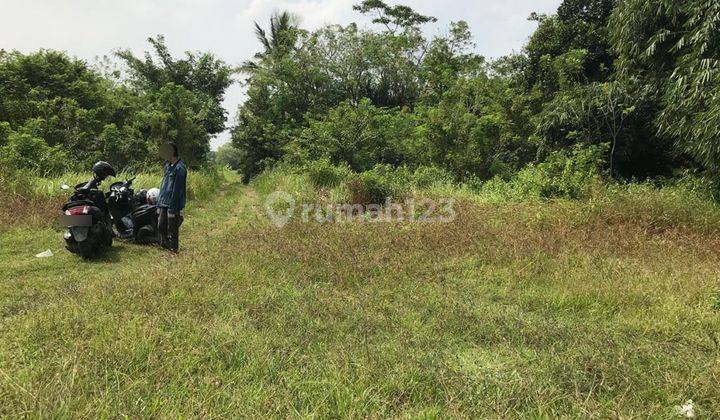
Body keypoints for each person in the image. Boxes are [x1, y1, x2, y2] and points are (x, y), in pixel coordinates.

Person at [157, 141, 187, 252]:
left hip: (173, 203)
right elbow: (164, 185)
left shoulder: (180, 168)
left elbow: (177, 190)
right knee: (161, 225)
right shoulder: (167, 166)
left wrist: (173, 208)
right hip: (163, 201)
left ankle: (174, 249)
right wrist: (159, 203)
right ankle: (165, 244)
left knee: (172, 228)